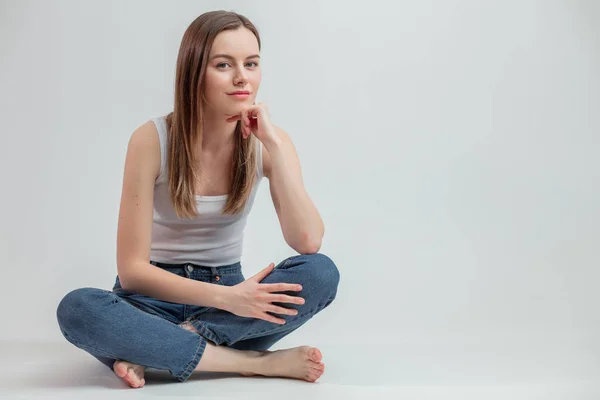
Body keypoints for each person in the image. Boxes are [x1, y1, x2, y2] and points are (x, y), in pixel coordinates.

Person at [55, 10, 340, 388]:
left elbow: (308, 242)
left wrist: (272, 145)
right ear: (194, 72)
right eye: (224, 64)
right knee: (77, 309)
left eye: (251, 63)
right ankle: (254, 362)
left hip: (234, 303)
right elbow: (133, 271)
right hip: (151, 298)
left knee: (321, 271)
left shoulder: (270, 141)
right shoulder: (151, 140)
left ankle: (157, 349)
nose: (243, 77)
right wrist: (228, 299)